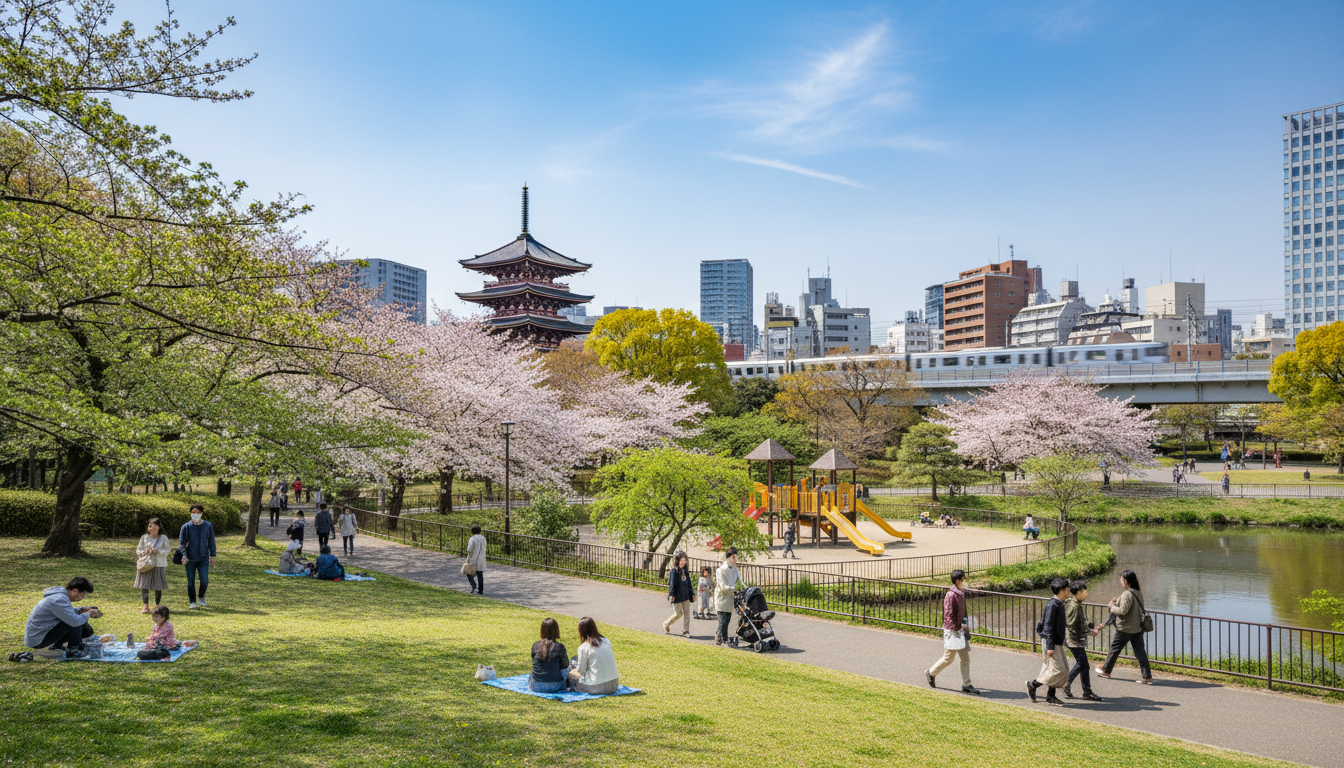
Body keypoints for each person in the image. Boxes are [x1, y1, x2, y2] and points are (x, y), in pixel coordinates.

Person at [924, 569, 979, 694]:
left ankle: (966, 684)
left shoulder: (960, 593)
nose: (964, 581)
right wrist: (956, 629)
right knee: (948, 658)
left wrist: (965, 625)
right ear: (957, 580)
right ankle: (931, 673)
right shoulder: (951, 595)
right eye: (963, 579)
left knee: (965, 658)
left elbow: (963, 612)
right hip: (953, 631)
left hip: (959, 630)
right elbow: (948, 614)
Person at [1096, 570, 1153, 684]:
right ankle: (1147, 675)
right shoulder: (1138, 593)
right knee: (1140, 652)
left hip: (1125, 628)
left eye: (1122, 580)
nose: (1121, 581)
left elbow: (1123, 611)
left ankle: (1106, 671)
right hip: (1137, 628)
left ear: (1127, 581)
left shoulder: (1127, 594)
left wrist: (1112, 607)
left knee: (1114, 649)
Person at [24, 577, 101, 658]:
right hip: (38, 640)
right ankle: (73, 650)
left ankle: (58, 645)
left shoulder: (59, 597)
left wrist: (81, 610)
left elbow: (63, 613)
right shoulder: (59, 599)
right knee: (75, 621)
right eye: (83, 593)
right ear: (75, 591)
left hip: (38, 635)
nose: (84, 596)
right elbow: (74, 621)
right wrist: (88, 614)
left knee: (75, 618)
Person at [1026, 577, 1071, 706]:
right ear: (1061, 591)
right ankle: (1033, 684)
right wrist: (1050, 646)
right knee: (1058, 670)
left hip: (1055, 641)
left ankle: (1050, 695)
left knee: (1061, 669)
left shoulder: (1058, 603)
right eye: (1067, 590)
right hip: (1050, 642)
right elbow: (1048, 626)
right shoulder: (1053, 605)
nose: (1068, 593)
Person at [1063, 580, 1103, 701]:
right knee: (1082, 664)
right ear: (1078, 592)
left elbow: (1076, 622)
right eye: (1084, 591)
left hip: (1072, 638)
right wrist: (1089, 631)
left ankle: (1086, 691)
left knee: (1084, 665)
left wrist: (1087, 627)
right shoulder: (1075, 606)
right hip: (1073, 639)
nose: (1086, 593)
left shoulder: (1071, 603)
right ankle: (1067, 684)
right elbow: (1072, 624)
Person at [568, 617, 621, 695]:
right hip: (613, 686)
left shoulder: (583, 648)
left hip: (595, 687)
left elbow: (581, 670)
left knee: (571, 674)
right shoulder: (606, 641)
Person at [178, 504, 216, 610]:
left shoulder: (208, 525)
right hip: (189, 559)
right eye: (193, 512)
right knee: (191, 582)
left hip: (203, 558)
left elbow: (211, 541)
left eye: (198, 512)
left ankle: (201, 596)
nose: (195, 514)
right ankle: (193, 601)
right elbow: (181, 543)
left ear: (202, 513)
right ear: (190, 513)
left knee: (204, 580)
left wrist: (213, 555)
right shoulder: (186, 527)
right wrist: (184, 555)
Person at [134, 517, 171, 613]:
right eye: (150, 526)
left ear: (159, 527)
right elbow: (138, 550)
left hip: (159, 564)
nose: (152, 528)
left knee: (158, 585)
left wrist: (158, 551)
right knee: (144, 585)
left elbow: (167, 550)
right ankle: (145, 606)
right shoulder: (144, 537)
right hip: (146, 564)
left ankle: (157, 606)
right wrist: (145, 552)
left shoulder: (163, 538)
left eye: (154, 526)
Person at [528, 617, 569, 693]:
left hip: (535, 685)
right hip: (555, 686)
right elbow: (565, 666)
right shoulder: (559, 647)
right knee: (566, 670)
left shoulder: (535, 645)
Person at [714, 547, 742, 647]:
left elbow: (739, 581)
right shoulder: (721, 570)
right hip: (722, 598)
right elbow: (722, 586)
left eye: (736, 557)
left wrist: (744, 588)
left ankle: (719, 637)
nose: (735, 560)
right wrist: (732, 588)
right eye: (734, 557)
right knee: (723, 620)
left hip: (730, 598)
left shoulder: (734, 569)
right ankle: (723, 640)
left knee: (727, 620)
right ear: (729, 557)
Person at [663, 552, 693, 636]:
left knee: (687, 614)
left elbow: (689, 583)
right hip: (676, 595)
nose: (684, 562)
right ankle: (666, 623)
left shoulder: (685, 571)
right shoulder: (674, 571)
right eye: (682, 560)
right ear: (677, 561)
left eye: (685, 560)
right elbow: (672, 584)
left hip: (685, 595)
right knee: (678, 613)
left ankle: (686, 630)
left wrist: (691, 593)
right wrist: (671, 595)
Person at [465, 524, 487, 595]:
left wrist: (469, 557)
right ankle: (481, 590)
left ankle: (473, 585)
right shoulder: (483, 538)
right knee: (480, 574)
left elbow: (469, 549)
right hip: (481, 558)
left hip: (473, 558)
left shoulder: (472, 539)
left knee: (468, 573)